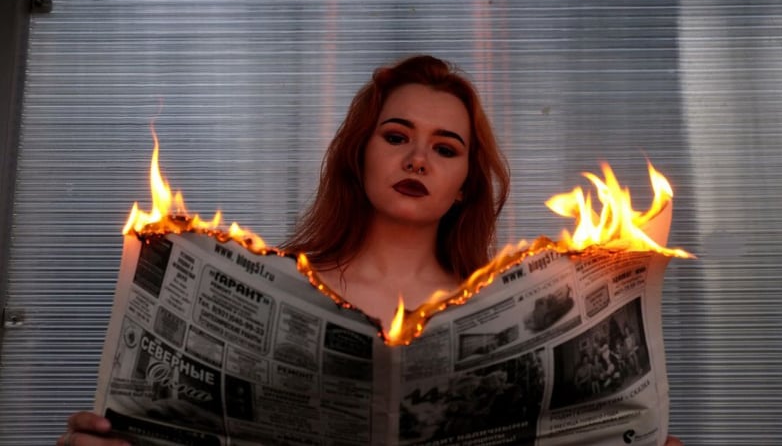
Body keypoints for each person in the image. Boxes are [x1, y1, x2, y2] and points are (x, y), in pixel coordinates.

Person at [57, 55, 683, 446]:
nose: (417, 158)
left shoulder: (510, 302)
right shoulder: (281, 286)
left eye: (445, 148)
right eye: (396, 136)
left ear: (465, 185)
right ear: (359, 155)